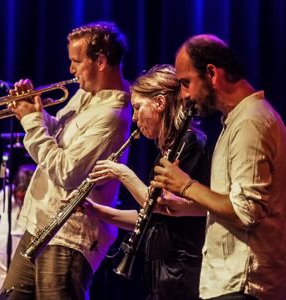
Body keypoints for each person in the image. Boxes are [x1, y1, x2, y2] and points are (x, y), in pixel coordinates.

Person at [151, 34, 286, 300]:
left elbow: (246, 211)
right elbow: (235, 203)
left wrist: (186, 185)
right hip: (231, 284)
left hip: (244, 286)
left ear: (211, 73)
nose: (184, 96)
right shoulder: (237, 121)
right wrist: (188, 205)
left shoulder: (251, 122)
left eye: (186, 83)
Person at [2, 21, 132, 299]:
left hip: (69, 235)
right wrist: (34, 110)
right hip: (41, 222)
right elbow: (60, 137)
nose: (70, 69)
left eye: (76, 61)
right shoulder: (87, 94)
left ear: (100, 61)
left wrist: (31, 121)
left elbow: (67, 173)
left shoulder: (113, 114)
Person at [86, 64, 209, 300]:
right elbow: (149, 217)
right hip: (159, 270)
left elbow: (165, 206)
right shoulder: (164, 153)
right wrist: (96, 211)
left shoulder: (191, 142)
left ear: (160, 103)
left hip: (181, 270)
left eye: (138, 107)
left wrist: (123, 174)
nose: (134, 117)